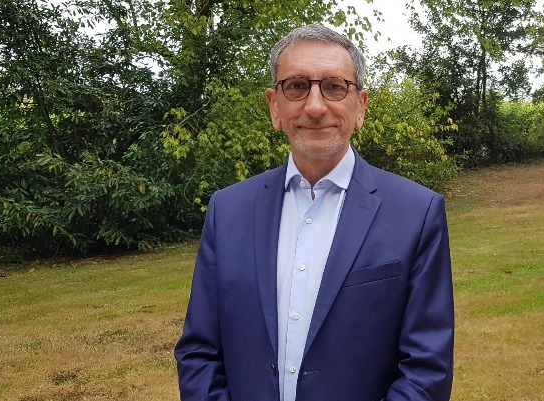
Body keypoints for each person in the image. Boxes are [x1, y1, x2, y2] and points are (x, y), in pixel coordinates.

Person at [174, 24, 454, 401]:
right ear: (274, 106)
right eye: (297, 86)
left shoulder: (417, 213)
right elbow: (199, 354)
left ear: (360, 106)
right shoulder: (227, 211)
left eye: (335, 87)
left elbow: (426, 370)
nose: (316, 106)